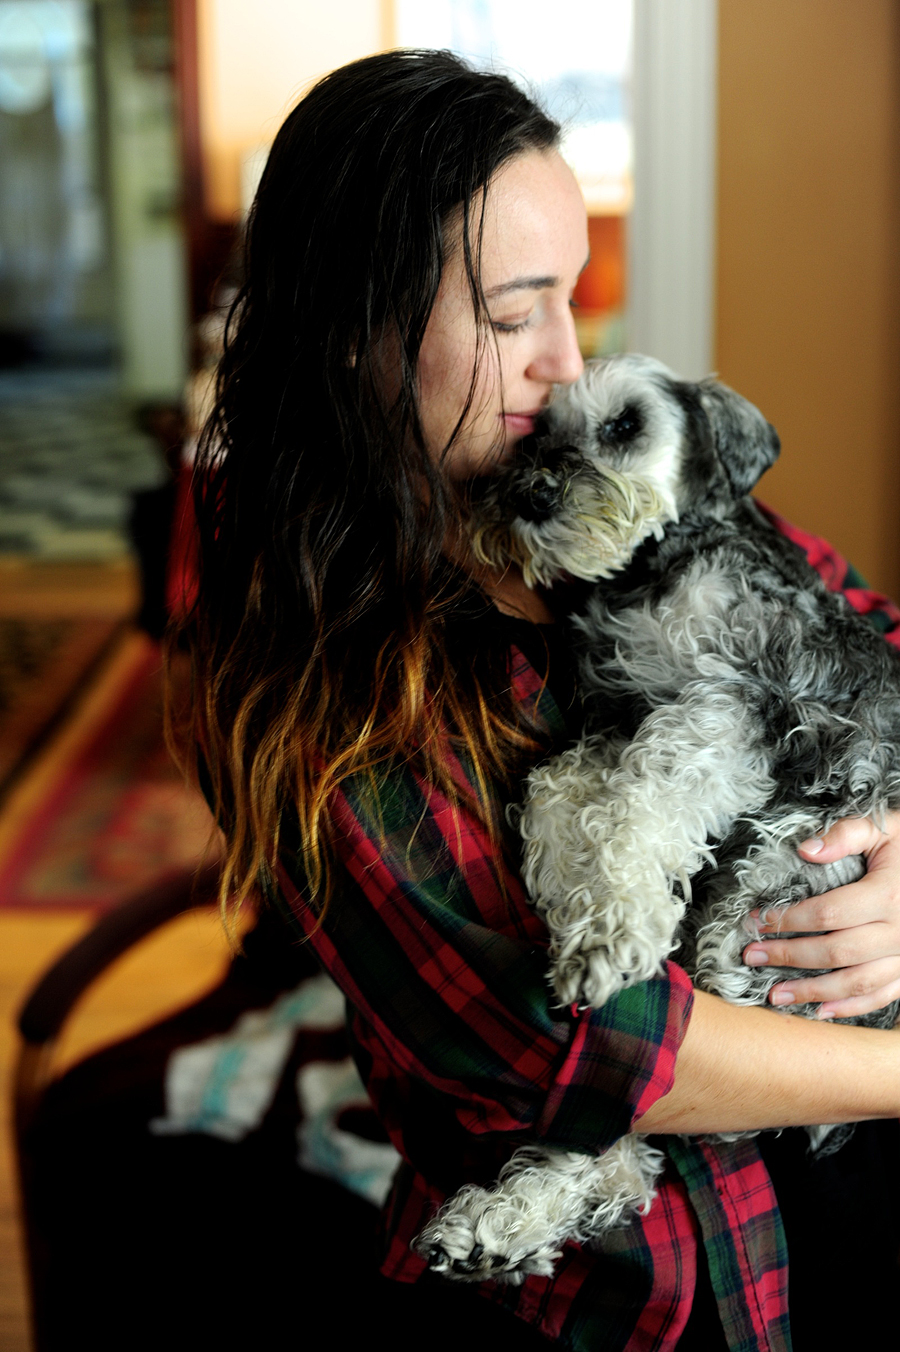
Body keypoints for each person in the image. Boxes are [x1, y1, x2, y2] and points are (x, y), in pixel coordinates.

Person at [182, 50, 900, 1350]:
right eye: (516, 317)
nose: (567, 365)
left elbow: (868, 652)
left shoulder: (635, 492)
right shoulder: (320, 683)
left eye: (574, 302)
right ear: (359, 330)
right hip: (640, 1295)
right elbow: (586, 1044)